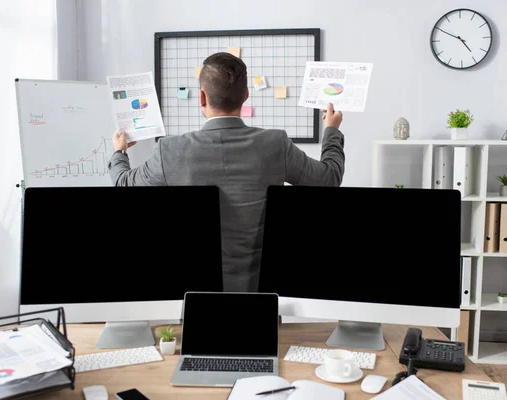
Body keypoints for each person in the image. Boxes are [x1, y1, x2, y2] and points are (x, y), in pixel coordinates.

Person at [108, 52, 345, 292]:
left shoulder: (170, 150)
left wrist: (120, 152)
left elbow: (123, 185)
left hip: (194, 297)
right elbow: (329, 178)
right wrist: (331, 130)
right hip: (261, 294)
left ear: (201, 97)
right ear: (245, 95)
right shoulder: (275, 143)